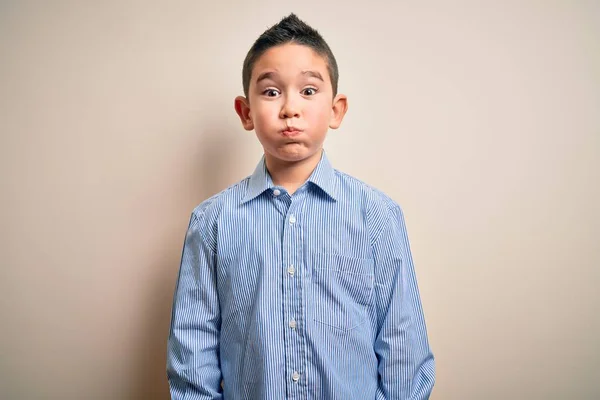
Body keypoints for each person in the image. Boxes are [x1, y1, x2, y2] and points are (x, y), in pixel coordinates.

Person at [167, 13, 435, 400]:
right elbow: (192, 357)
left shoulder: (377, 215)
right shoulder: (212, 223)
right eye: (271, 92)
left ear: (336, 109)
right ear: (245, 112)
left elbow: (403, 352)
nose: (290, 108)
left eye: (308, 91)